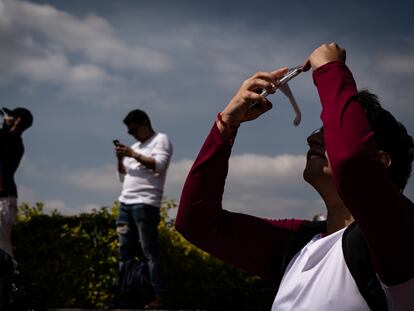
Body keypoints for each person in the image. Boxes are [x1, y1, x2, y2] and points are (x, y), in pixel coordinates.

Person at [175, 43, 414, 310]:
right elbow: (196, 223)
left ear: (380, 161)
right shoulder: (298, 243)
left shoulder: (399, 232)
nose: (313, 137)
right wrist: (227, 124)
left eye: (331, 133)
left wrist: (330, 69)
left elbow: (352, 161)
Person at [114, 109, 172, 309]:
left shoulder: (160, 140)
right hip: (125, 203)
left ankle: (158, 297)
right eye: (129, 132)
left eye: (134, 130)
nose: (132, 135)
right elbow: (122, 176)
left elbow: (159, 165)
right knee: (124, 253)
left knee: (149, 251)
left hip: (146, 203)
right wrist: (121, 158)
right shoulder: (135, 146)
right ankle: (125, 295)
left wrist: (132, 154)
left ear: (145, 123)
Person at [0, 107, 33, 257]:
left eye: (9, 116)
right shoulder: (9, 139)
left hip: (3, 200)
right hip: (5, 198)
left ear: (17, 120)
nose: (5, 119)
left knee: (2, 248)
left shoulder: (12, 141)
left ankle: (8, 279)